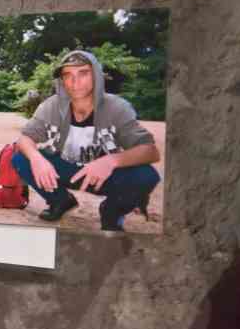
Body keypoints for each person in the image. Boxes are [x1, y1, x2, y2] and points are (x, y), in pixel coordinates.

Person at [12, 50, 161, 234]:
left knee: (146, 176)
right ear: (62, 80)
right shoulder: (52, 105)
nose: (75, 82)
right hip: (67, 168)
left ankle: (111, 213)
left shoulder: (117, 107)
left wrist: (111, 161)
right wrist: (36, 158)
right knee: (21, 158)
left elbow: (150, 151)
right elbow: (25, 137)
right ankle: (60, 201)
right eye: (68, 75)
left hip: (103, 175)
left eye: (83, 73)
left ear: (96, 76)